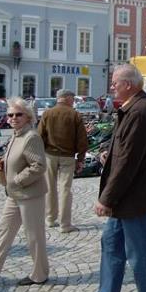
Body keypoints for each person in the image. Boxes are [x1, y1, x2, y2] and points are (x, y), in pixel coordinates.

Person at [76, 64, 146, 292]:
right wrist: (110, 154)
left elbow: (129, 161)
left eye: (115, 82)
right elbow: (126, 152)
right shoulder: (134, 109)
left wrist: (107, 198)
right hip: (128, 197)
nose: (112, 86)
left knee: (139, 252)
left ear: (129, 84)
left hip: (133, 197)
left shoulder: (140, 111)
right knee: (111, 245)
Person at [0, 97, 49, 286]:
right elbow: (17, 160)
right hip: (14, 194)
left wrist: (16, 180)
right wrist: (2, 163)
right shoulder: (15, 135)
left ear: (28, 116)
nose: (13, 118)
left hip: (30, 194)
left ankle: (39, 274)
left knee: (34, 235)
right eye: (10, 115)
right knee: (4, 230)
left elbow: (38, 166)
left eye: (18, 114)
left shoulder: (31, 137)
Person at [38, 89, 88, 233]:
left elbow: (39, 135)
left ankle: (50, 218)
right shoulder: (74, 114)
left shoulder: (47, 113)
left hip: (49, 155)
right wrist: (81, 158)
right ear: (66, 98)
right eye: (72, 98)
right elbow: (82, 140)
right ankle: (65, 224)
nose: (73, 101)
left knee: (50, 187)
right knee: (65, 189)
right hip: (67, 156)